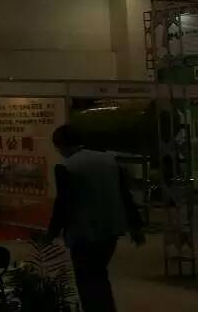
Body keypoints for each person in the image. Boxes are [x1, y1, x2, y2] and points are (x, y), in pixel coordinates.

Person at [47, 125, 144, 312]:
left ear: (61, 145)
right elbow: (125, 194)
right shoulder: (109, 160)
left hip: (84, 232)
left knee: (86, 281)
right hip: (111, 230)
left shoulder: (66, 166)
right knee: (100, 275)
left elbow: (63, 203)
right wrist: (136, 226)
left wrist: (51, 232)